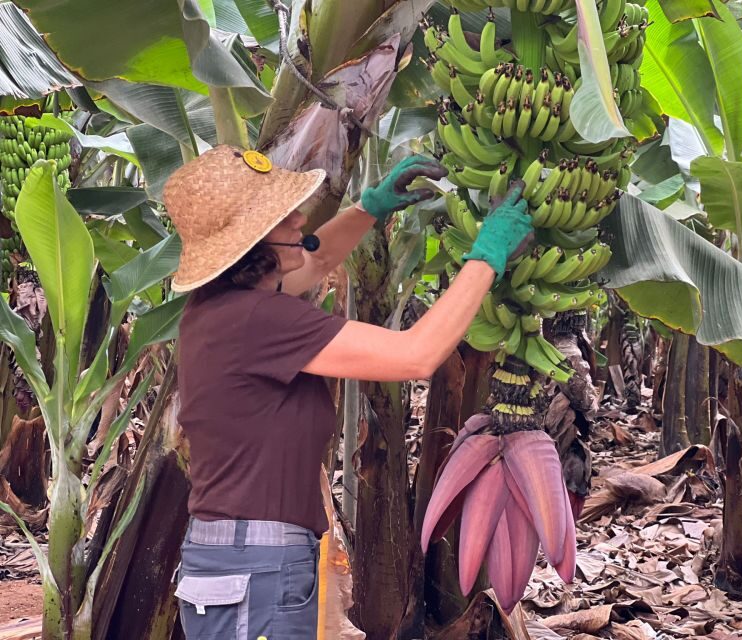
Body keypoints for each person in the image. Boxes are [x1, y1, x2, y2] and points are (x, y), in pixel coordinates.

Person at [164, 145, 532, 639]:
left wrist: (368, 209)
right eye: (280, 217)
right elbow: (415, 355)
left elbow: (313, 260)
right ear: (251, 245)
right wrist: (486, 255)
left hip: (237, 561)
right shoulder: (261, 320)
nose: (299, 218)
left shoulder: (215, 309)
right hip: (258, 569)